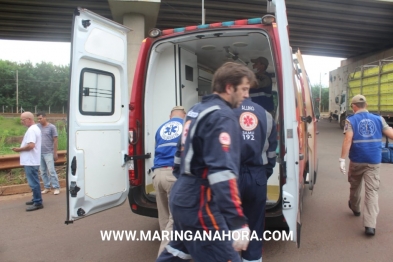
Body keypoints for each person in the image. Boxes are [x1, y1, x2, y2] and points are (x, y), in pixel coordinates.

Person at [157, 62, 256, 262]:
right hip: (200, 203)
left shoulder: (197, 109)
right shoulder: (222, 116)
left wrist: (185, 185)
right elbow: (222, 173)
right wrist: (237, 221)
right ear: (229, 87)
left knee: (176, 254)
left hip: (183, 195)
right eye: (244, 89)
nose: (247, 95)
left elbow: (179, 154)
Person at [340, 94, 393, 236]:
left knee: (355, 185)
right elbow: (391, 134)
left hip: (357, 160)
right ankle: (370, 225)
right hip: (374, 161)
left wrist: (342, 159)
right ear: (366, 105)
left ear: (354, 106)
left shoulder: (350, 120)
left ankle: (356, 208)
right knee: (372, 192)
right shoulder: (379, 119)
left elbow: (348, 139)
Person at [234, 98, 277, 262]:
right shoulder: (266, 115)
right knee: (255, 226)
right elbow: (271, 152)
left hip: (231, 176)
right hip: (257, 175)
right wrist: (263, 174)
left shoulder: (223, 111)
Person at [152, 106, 186, 256]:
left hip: (157, 175)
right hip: (173, 175)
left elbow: (156, 150)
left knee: (164, 218)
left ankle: (169, 249)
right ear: (184, 115)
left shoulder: (160, 128)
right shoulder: (185, 126)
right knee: (174, 219)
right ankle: (164, 255)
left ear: (170, 116)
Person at [12, 112, 43, 211]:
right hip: (32, 160)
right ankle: (35, 199)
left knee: (33, 182)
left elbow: (31, 145)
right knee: (34, 181)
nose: (22, 122)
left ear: (29, 119)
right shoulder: (34, 129)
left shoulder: (32, 130)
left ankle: (38, 202)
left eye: (23, 119)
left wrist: (19, 149)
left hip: (31, 160)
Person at [37, 112, 61, 195]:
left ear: (45, 117)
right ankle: (47, 187)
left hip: (48, 152)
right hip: (40, 153)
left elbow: (55, 139)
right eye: (38, 119)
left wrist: (55, 152)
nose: (39, 120)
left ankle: (56, 187)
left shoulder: (51, 127)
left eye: (40, 118)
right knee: (43, 171)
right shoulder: (37, 127)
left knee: (51, 171)